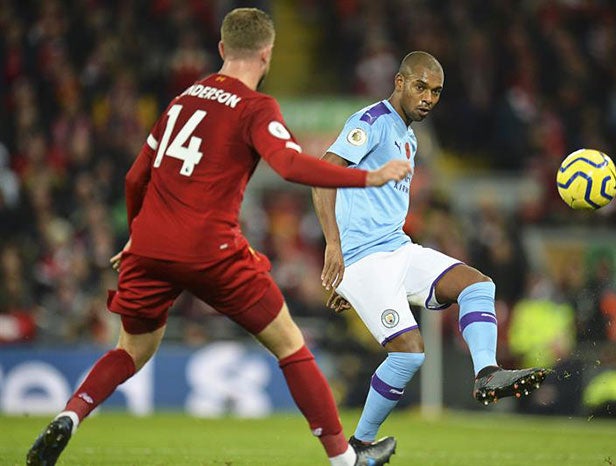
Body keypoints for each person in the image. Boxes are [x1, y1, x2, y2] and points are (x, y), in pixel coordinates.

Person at [26, 8, 410, 466]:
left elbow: (134, 179)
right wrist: (368, 178)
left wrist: (134, 236)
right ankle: (344, 459)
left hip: (150, 246)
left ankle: (71, 413)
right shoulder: (255, 107)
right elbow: (288, 166)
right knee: (290, 344)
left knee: (130, 349)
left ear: (223, 49)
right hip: (213, 250)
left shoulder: (182, 100)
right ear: (267, 55)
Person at [311, 51, 549, 447]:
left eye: (436, 92)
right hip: (364, 259)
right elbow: (323, 176)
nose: (428, 98)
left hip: (397, 250)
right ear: (400, 82)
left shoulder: (409, 138)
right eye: (421, 87)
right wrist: (336, 249)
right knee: (409, 354)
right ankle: (359, 447)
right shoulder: (371, 122)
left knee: (478, 286)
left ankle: (487, 372)